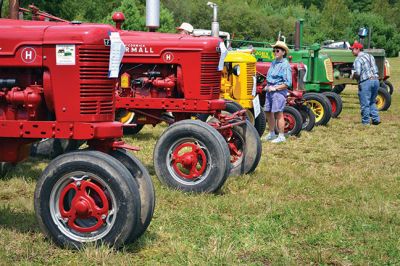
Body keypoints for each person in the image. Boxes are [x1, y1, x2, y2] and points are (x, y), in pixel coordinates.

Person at [263, 41, 292, 143]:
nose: (275, 52)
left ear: (283, 52)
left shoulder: (285, 65)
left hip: (278, 92)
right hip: (269, 90)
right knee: (267, 111)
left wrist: (275, 88)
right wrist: (267, 86)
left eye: (277, 50)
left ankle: (281, 136)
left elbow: (287, 83)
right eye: (274, 50)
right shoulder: (274, 62)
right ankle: (271, 133)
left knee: (278, 113)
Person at [350, 41, 380, 125]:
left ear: (358, 49)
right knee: (372, 101)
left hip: (366, 82)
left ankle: (365, 122)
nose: (352, 51)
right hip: (376, 80)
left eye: (353, 49)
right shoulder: (370, 56)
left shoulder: (358, 59)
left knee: (365, 103)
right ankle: (376, 119)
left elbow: (358, 73)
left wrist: (352, 75)